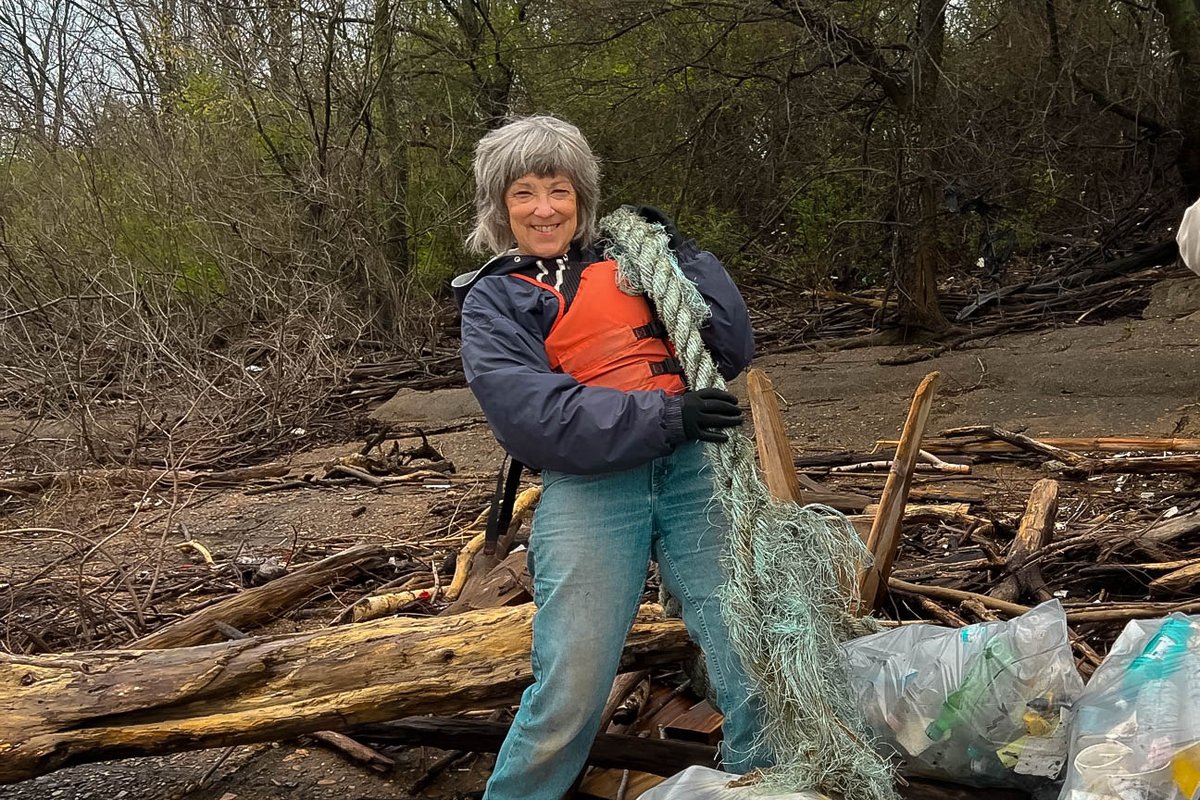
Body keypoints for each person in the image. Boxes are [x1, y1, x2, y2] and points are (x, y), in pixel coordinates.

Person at [454, 114, 769, 800]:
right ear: (498, 206)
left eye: (559, 189)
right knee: (571, 681)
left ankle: (770, 780)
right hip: (592, 492)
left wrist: (684, 254)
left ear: (582, 195)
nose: (544, 209)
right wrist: (666, 414)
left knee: (748, 648)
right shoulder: (495, 299)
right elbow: (532, 418)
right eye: (524, 192)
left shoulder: (632, 261)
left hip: (694, 473)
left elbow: (731, 347)